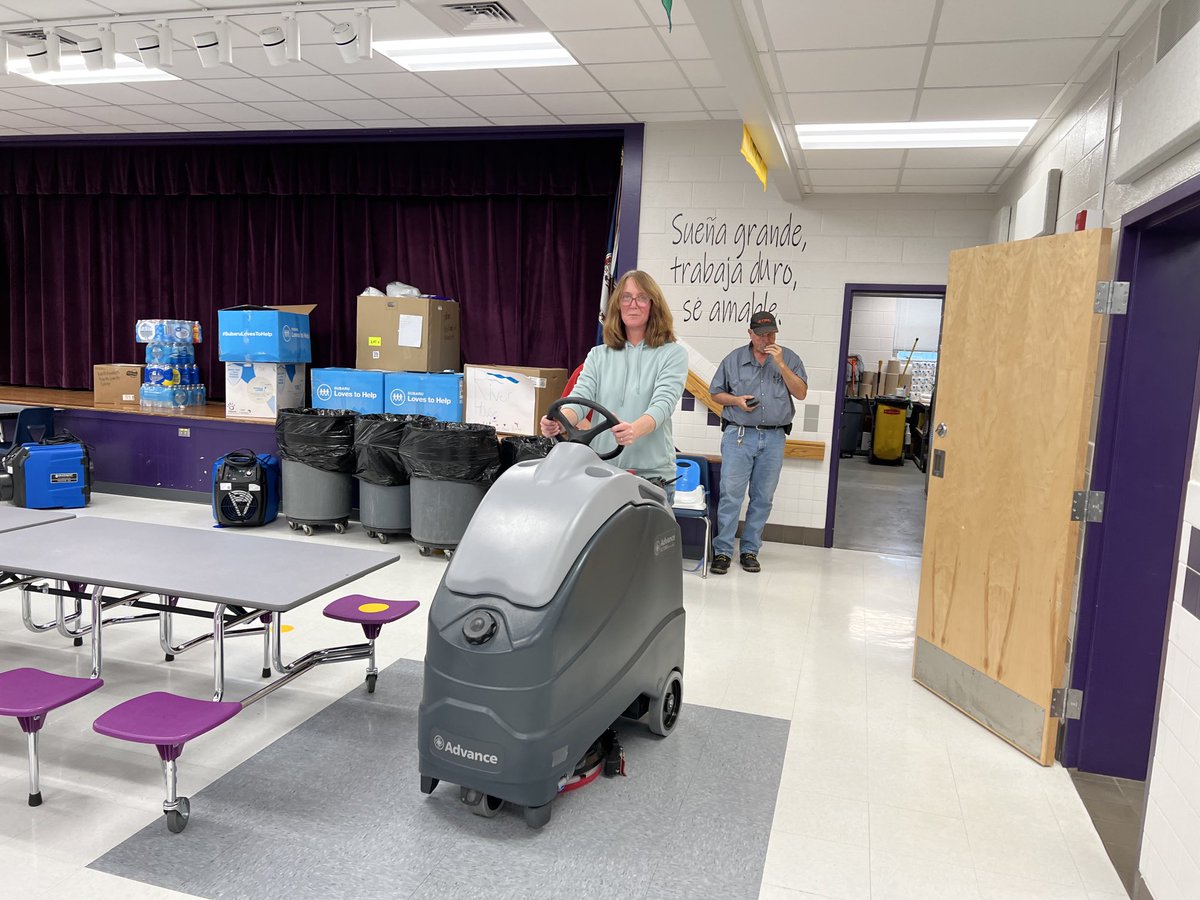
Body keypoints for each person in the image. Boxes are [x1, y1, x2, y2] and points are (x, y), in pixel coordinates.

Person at [540, 270, 687, 503]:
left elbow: (663, 405)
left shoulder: (673, 354)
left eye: (642, 297)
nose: (633, 304)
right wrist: (559, 420)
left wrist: (634, 430)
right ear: (618, 305)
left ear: (653, 305)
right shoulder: (598, 355)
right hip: (602, 473)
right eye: (626, 297)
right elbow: (580, 398)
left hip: (651, 477)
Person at [708, 311, 807, 574]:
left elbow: (801, 393)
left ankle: (750, 550)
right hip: (739, 436)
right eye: (761, 335)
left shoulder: (789, 358)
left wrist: (781, 365)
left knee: (763, 497)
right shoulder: (733, 360)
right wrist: (736, 401)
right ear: (750, 334)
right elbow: (715, 393)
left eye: (771, 334)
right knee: (731, 495)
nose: (767, 339)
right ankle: (723, 552)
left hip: (774, 437)